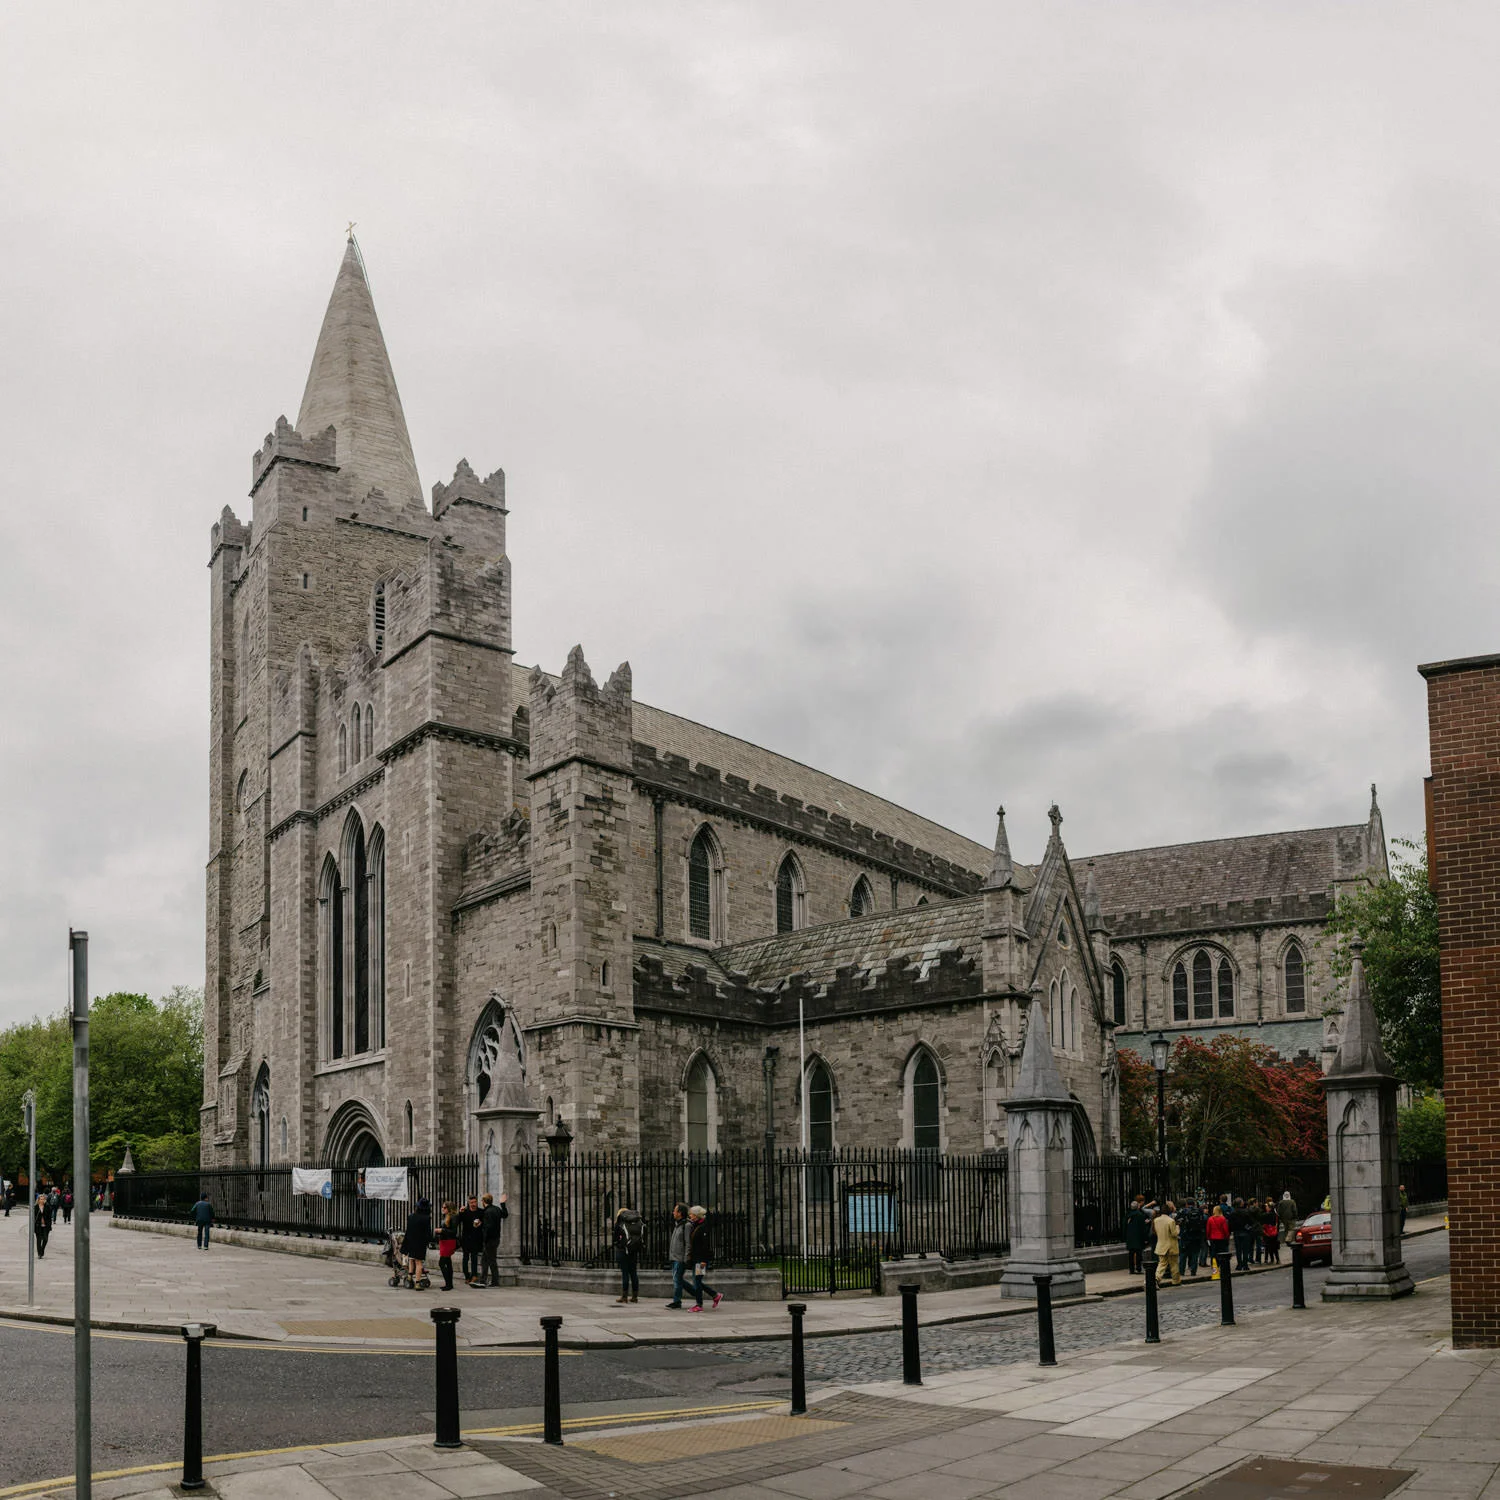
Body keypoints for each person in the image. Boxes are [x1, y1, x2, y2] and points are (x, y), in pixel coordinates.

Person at [686, 1205, 723, 1312]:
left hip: (700, 1260)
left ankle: (699, 1305)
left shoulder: (703, 1227)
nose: (690, 1216)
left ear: (697, 1215)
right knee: (697, 1281)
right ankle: (715, 1295)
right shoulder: (697, 1225)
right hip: (696, 1259)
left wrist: (703, 1261)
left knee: (697, 1282)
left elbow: (705, 1246)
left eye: (692, 1214)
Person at [613, 1205, 643, 1304]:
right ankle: (635, 1296)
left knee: (625, 1273)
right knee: (633, 1272)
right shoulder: (636, 1222)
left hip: (623, 1251)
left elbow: (615, 1239)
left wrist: (618, 1244)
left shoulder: (620, 1224)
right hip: (633, 1250)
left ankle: (624, 1296)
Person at [480, 1192, 508, 1287]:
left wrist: (484, 1239)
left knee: (491, 1260)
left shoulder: (487, 1212)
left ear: (484, 1201)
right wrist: (502, 1204)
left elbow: (488, 1227)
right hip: (496, 1238)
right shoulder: (496, 1209)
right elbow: (505, 1214)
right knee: (485, 1260)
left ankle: (494, 1281)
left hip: (489, 1239)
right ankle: (483, 1280)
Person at [665, 1203, 690, 1309]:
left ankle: (677, 1301)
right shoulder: (678, 1224)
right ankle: (696, 1292)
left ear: (680, 1213)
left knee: (677, 1279)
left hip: (680, 1258)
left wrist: (686, 1258)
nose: (673, 1212)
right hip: (675, 1257)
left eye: (675, 1211)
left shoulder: (686, 1225)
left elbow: (688, 1243)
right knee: (678, 1279)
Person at [403, 1198, 433, 1288]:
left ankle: (409, 1276)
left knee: (411, 1259)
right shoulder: (426, 1218)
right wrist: (429, 1241)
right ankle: (417, 1283)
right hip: (420, 1243)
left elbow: (408, 1231)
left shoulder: (411, 1216)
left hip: (411, 1241)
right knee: (419, 1263)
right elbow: (428, 1232)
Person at [1177, 1195, 1206, 1278]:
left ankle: (1181, 1271)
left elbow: (1176, 1220)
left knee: (1183, 1255)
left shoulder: (1183, 1211)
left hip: (1185, 1236)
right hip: (1196, 1236)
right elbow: (1203, 1221)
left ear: (1186, 1203)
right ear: (1194, 1203)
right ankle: (1193, 1271)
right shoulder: (1199, 1211)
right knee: (1195, 1254)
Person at [1154, 1200, 1181, 1287]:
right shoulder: (1171, 1221)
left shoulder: (1156, 1220)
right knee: (1174, 1264)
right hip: (1171, 1246)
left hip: (1161, 1245)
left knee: (1161, 1264)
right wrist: (1177, 1227)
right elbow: (1174, 1234)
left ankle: (1156, 1279)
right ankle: (1176, 1281)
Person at [460, 1194, 486, 1286]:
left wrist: (480, 1224)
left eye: (474, 1202)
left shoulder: (481, 1212)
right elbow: (458, 1221)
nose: (473, 1204)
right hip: (466, 1239)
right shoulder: (465, 1212)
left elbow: (484, 1223)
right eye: (471, 1202)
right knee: (465, 1258)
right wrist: (460, 1212)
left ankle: (474, 1275)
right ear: (468, 1202)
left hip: (476, 1238)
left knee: (474, 1258)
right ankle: (467, 1276)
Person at [1124, 1196, 1150, 1276]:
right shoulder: (1140, 1215)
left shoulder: (1128, 1215)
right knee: (1138, 1254)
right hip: (1138, 1237)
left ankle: (1131, 1269)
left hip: (1130, 1237)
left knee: (1131, 1254)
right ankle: (1138, 1268)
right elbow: (1143, 1228)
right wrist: (1145, 1238)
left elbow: (1124, 1227)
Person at [436, 1202, 459, 1291]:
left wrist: (442, 1230)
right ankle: (449, 1284)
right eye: (442, 1207)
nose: (442, 1209)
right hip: (444, 1241)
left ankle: (448, 1284)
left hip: (449, 1242)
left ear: (449, 1208)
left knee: (441, 1263)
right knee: (448, 1263)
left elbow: (453, 1232)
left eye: (444, 1207)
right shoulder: (446, 1216)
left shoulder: (454, 1217)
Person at [1230, 1197, 1254, 1271]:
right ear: (1241, 1203)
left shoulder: (1233, 1212)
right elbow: (1251, 1222)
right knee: (1245, 1250)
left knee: (1238, 1250)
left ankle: (1239, 1264)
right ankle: (1245, 1265)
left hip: (1237, 1232)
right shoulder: (1246, 1212)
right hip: (1245, 1232)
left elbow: (1231, 1224)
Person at [1206, 1200, 1230, 1272]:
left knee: (1213, 1253)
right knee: (1221, 1253)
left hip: (1213, 1238)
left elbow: (1208, 1230)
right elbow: (1225, 1229)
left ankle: (1214, 1267)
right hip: (1221, 1238)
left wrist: (1208, 1237)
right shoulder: (1223, 1219)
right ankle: (1221, 1265)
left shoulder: (1210, 1219)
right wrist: (1227, 1237)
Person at [1261, 1198, 1281, 1264]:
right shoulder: (1275, 1215)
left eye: (1267, 1207)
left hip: (1268, 1233)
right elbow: (1277, 1223)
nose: (1266, 1208)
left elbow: (1263, 1222)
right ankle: (1277, 1259)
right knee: (1274, 1247)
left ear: (1270, 1208)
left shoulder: (1266, 1215)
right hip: (1274, 1232)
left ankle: (1271, 1259)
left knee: (1268, 1246)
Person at [34, 1193, 52, 1258]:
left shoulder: (47, 1206)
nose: (42, 1200)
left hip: (45, 1226)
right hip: (38, 1226)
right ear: (38, 1200)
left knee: (45, 1239)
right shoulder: (35, 1207)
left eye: (43, 1199)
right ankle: (39, 1254)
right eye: (41, 1199)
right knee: (38, 1240)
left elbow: (49, 1216)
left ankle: (42, 1250)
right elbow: (34, 1217)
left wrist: (46, 1204)